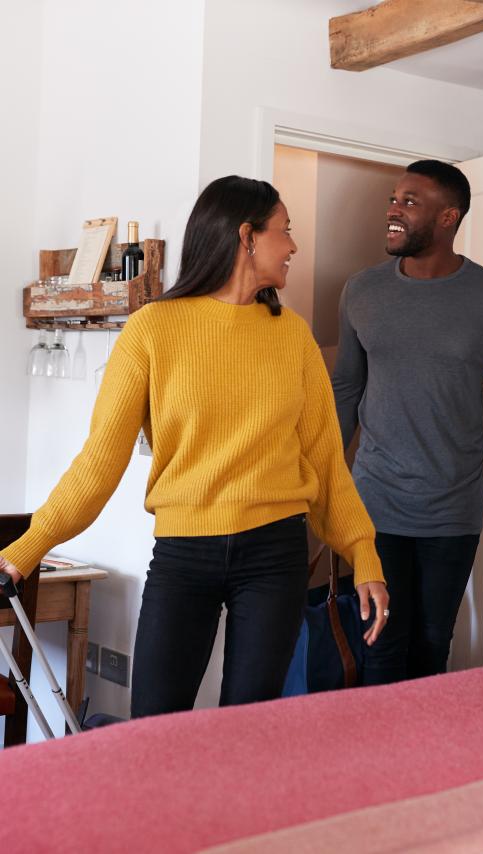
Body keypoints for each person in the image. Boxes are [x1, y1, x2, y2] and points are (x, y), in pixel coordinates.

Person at [0, 176, 388, 714]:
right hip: (184, 553)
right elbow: (99, 462)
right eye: (286, 231)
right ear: (247, 237)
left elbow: (325, 462)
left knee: (248, 727)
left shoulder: (293, 336)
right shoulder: (152, 330)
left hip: (275, 552)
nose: (294, 246)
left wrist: (363, 553)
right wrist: (27, 549)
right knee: (154, 722)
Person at [331, 160, 483, 686]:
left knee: (433, 643)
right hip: (376, 502)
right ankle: (379, 762)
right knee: (381, 643)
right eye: (394, 198)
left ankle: (424, 761)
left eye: (410, 202)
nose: (393, 209)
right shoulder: (362, 291)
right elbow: (346, 387)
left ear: (448, 218)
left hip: (452, 507)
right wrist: (321, 477)